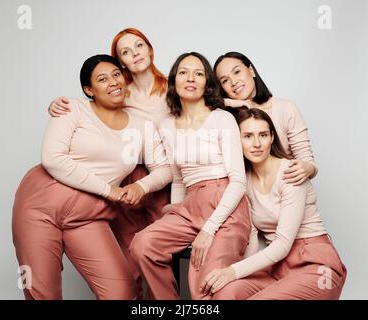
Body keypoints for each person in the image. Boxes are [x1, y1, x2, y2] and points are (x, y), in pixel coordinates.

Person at [12, 54, 173, 299]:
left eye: (116, 75)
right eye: (102, 79)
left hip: (88, 217)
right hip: (40, 207)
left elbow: (164, 168)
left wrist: (141, 186)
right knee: (42, 293)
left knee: (122, 292)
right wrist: (110, 191)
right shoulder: (72, 109)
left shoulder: (142, 125)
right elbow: (53, 158)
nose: (113, 82)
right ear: (89, 89)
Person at [129, 52, 251, 300]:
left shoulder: (222, 118)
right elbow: (178, 179)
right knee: (142, 245)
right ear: (174, 81)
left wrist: (208, 229)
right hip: (190, 204)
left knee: (202, 286)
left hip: (225, 203)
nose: (191, 78)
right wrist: (173, 215)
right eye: (184, 72)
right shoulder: (166, 126)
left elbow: (238, 181)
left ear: (207, 82)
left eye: (199, 73)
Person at [200, 107, 347, 300]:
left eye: (263, 135)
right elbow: (252, 235)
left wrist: (232, 271)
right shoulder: (243, 181)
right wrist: (234, 276)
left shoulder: (291, 172)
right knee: (226, 292)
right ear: (237, 141)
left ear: (271, 138)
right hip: (278, 269)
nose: (257, 143)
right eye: (248, 136)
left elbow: (283, 244)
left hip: (317, 266)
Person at [214, 52, 317, 186]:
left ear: (251, 70)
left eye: (237, 72)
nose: (233, 82)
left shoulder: (285, 108)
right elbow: (191, 106)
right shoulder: (227, 118)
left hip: (287, 188)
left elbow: (308, 161)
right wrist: (228, 103)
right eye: (225, 80)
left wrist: (308, 168)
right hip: (249, 197)